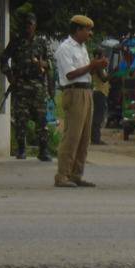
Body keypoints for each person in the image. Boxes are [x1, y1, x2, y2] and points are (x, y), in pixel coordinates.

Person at [54, 15, 107, 188]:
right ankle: (62, 175)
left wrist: (96, 67)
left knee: (84, 137)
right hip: (74, 92)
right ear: (78, 30)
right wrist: (92, 66)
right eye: (87, 30)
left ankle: (76, 174)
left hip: (86, 90)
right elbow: (70, 74)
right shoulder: (65, 48)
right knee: (72, 136)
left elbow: (85, 72)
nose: (90, 34)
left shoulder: (83, 48)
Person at [0, 12, 53, 161]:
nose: (27, 27)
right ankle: (21, 149)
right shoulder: (16, 41)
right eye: (26, 25)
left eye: (30, 24)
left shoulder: (42, 43)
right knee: (21, 118)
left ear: (35, 26)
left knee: (42, 119)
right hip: (21, 84)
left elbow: (50, 63)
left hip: (38, 85)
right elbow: (4, 58)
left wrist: (42, 64)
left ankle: (43, 150)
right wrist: (9, 75)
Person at [90, 49, 110, 145]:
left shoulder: (100, 67)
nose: (104, 58)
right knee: (98, 116)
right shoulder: (97, 67)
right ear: (97, 57)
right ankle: (95, 138)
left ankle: (95, 137)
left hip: (101, 93)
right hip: (99, 93)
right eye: (102, 56)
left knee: (99, 115)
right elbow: (103, 79)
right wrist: (114, 73)